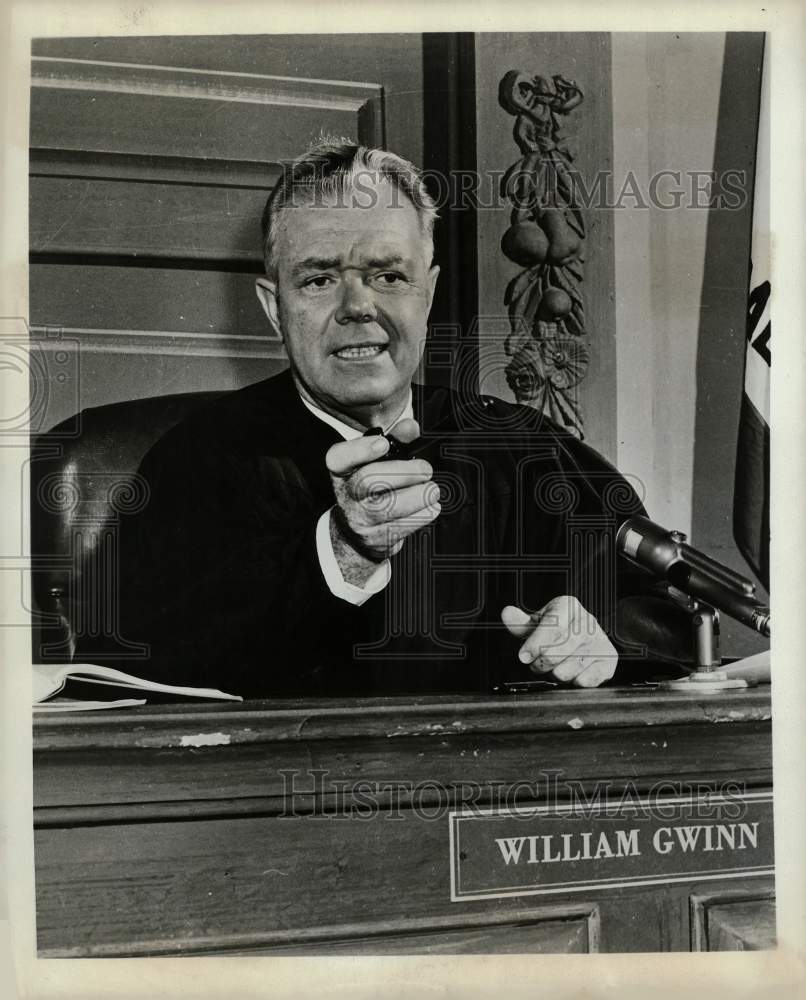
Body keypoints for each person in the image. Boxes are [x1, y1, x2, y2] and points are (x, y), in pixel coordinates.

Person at [107, 142, 652, 697]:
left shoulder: (524, 447)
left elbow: (670, 613)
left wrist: (601, 641)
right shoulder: (196, 460)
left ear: (429, 293)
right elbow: (138, 664)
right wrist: (343, 550)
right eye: (319, 280)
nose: (358, 307)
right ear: (275, 309)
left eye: (389, 277)